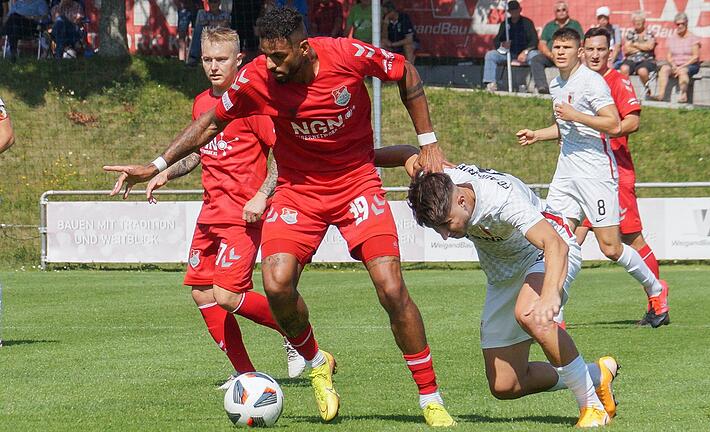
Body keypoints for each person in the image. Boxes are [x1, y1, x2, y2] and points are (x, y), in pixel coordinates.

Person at [103, 7, 454, 427]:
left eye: (279, 57)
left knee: (391, 288)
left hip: (356, 183)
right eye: (265, 55)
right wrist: (155, 163)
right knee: (276, 283)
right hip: (298, 190)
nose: (270, 64)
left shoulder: (347, 55)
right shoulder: (256, 78)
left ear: (303, 49)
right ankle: (316, 360)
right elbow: (209, 124)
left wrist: (427, 141)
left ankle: (430, 398)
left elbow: (407, 74)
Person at [379, 145, 618, 428]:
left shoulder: (502, 200)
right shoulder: (434, 180)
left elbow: (554, 244)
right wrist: (350, 158)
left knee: (531, 313)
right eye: (437, 229)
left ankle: (591, 406)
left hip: (545, 252)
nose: (444, 235)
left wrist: (551, 295)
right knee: (506, 385)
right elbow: (406, 153)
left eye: (446, 224)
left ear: (463, 201)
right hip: (503, 275)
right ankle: (594, 374)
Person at [134, 27, 305, 386]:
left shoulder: (253, 104)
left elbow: (284, 152)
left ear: (238, 60)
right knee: (202, 292)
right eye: (207, 59)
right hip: (209, 213)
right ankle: (245, 374)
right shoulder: (201, 103)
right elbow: (197, 150)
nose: (213, 67)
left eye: (221, 59)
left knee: (228, 294)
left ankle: (294, 332)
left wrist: (262, 194)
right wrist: (168, 172)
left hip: (242, 216)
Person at [516, 27, 670, 329]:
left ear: (579, 52)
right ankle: (556, 312)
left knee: (611, 247)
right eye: (556, 47)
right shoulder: (556, 83)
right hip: (566, 171)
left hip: (596, 172)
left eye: (566, 47)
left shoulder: (592, 82)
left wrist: (577, 115)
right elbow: (566, 127)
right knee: (558, 239)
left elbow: (614, 124)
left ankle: (655, 289)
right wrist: (538, 134)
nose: (560, 52)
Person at [578, 27, 665, 326]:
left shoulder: (617, 81)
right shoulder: (576, 83)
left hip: (615, 175)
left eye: (600, 49)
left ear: (610, 52)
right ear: (582, 50)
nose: (594, 54)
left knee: (631, 240)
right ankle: (549, 311)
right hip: (584, 173)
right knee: (567, 237)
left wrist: (607, 127)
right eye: (590, 49)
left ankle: (657, 300)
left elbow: (632, 122)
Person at [481, 0, 538, 92]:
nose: (514, 12)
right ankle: (490, 83)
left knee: (535, 56)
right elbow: (497, 40)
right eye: (512, 10)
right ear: (509, 12)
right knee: (491, 55)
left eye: (516, 10)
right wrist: (502, 46)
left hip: (525, 53)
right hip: (508, 53)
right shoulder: (505, 24)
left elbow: (534, 41)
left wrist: (525, 52)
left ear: (520, 10)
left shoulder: (527, 23)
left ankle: (537, 85)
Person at [529, 1, 583, 94]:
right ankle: (542, 88)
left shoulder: (575, 25)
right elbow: (542, 44)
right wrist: (550, 55)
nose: (561, 12)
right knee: (536, 59)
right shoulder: (549, 26)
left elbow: (581, 42)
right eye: (558, 10)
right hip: (551, 56)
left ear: (567, 11)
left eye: (563, 10)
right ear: (555, 12)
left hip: (569, 56)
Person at [650, 12, 700, 103]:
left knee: (682, 71)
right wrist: (673, 66)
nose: (680, 26)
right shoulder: (672, 38)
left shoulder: (693, 38)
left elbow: (695, 57)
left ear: (687, 23)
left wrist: (681, 67)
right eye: (678, 24)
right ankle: (661, 95)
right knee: (664, 68)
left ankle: (683, 95)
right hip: (675, 64)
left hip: (690, 64)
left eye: (682, 23)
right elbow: (669, 55)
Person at [619, 11, 657, 90]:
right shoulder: (630, 33)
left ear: (643, 22)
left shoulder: (649, 33)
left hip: (646, 59)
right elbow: (626, 50)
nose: (637, 23)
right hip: (631, 59)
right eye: (635, 21)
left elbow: (650, 47)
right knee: (624, 68)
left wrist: (635, 45)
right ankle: (627, 92)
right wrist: (643, 47)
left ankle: (648, 90)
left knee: (642, 71)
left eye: (639, 21)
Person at [186, 0, 231, 66]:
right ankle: (193, 59)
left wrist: (209, 23)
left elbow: (225, 24)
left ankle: (193, 58)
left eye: (215, 2)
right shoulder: (202, 13)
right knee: (199, 30)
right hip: (206, 36)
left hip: (221, 36)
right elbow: (203, 24)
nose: (213, 4)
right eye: (211, 2)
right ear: (208, 3)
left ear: (219, 3)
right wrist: (218, 23)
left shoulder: (225, 14)